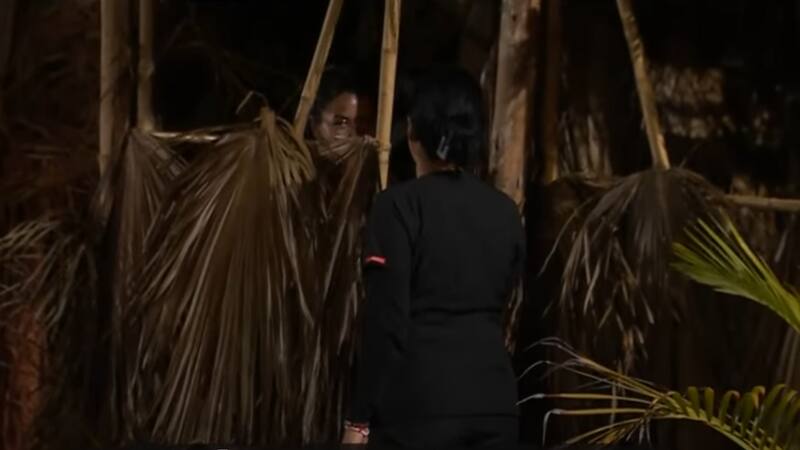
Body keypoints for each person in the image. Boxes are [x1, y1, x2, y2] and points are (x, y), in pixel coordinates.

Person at [343, 67, 525, 449]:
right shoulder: (506, 213)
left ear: (413, 133)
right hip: (495, 406)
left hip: (419, 410)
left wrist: (359, 420)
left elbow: (387, 321)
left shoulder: (398, 207)